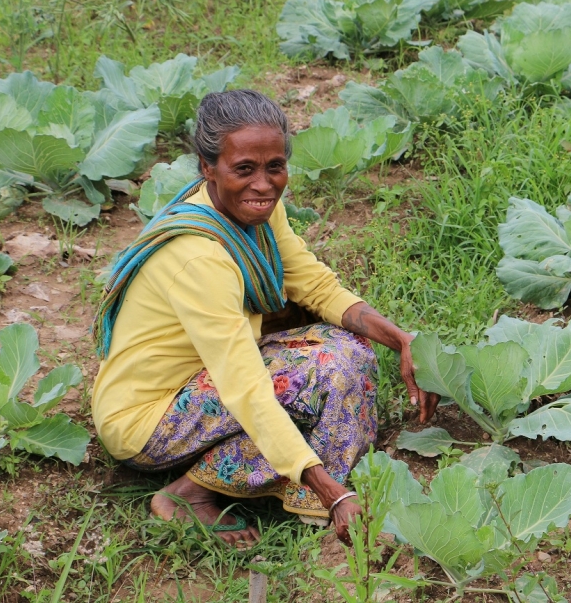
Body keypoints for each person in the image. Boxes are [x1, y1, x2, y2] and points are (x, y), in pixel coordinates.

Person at [91, 90, 439, 548]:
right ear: (206, 167)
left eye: (274, 166)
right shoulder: (199, 257)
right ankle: (189, 495)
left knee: (347, 352)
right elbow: (245, 387)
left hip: (200, 381)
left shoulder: (252, 213)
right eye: (244, 170)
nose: (263, 185)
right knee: (310, 378)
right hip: (147, 419)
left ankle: (289, 478)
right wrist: (332, 493)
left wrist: (404, 340)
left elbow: (314, 285)